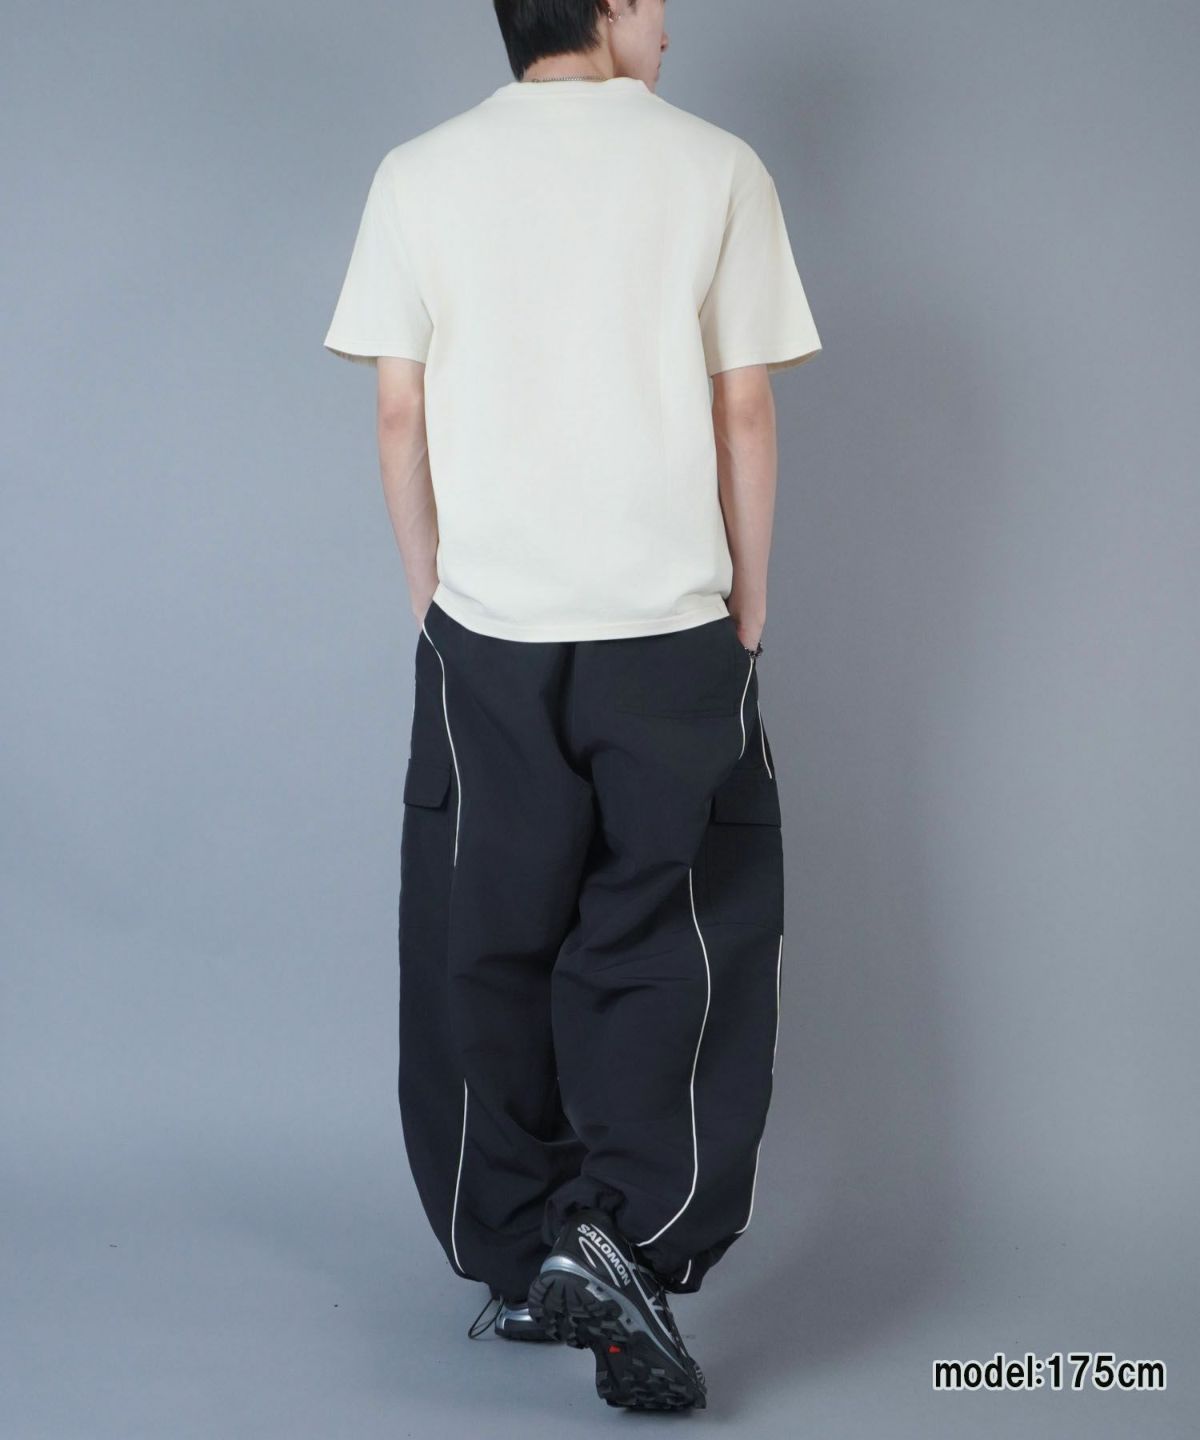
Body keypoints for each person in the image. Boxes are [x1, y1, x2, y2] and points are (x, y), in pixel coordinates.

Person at [322, 0, 821, 1412]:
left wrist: (433, 597)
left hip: (488, 628)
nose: (672, 25)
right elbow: (742, 409)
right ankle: (625, 1240)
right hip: (668, 626)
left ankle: (519, 1248)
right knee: (675, 933)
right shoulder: (715, 167)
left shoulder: (417, 174)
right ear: (609, 3)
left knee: (488, 932)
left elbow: (400, 411)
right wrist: (748, 603)